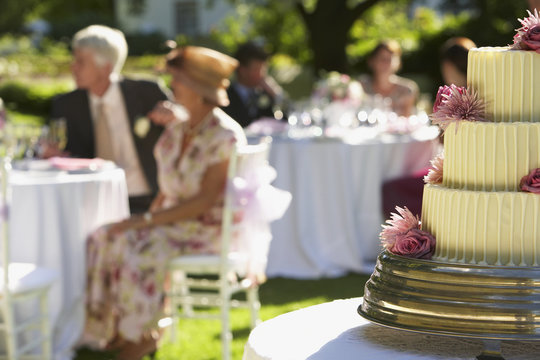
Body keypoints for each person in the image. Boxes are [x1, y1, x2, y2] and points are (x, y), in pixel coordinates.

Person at [80, 45, 246, 360]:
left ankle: (143, 335)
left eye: (177, 81)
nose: (171, 87)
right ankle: (111, 328)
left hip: (205, 229)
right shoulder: (178, 128)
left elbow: (204, 202)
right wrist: (144, 220)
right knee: (105, 236)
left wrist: (144, 222)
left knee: (137, 249)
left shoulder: (225, 135)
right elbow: (167, 189)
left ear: (197, 90)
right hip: (172, 222)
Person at [50, 25, 171, 214]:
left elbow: (183, 121)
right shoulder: (66, 105)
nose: (73, 67)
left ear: (105, 67)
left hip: (149, 202)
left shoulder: (148, 93)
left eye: (81, 62)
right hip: (93, 203)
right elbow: (63, 154)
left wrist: (175, 113)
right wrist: (52, 154)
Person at [221, 41, 285, 128]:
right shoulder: (225, 97)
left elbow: (284, 121)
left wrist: (276, 94)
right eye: (257, 69)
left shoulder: (265, 94)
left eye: (264, 69)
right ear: (242, 70)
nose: (262, 75)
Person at [360, 40, 419, 117]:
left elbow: (407, 120)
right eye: (382, 58)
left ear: (398, 63)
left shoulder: (407, 89)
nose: (386, 63)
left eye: (390, 59)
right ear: (371, 61)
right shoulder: (361, 86)